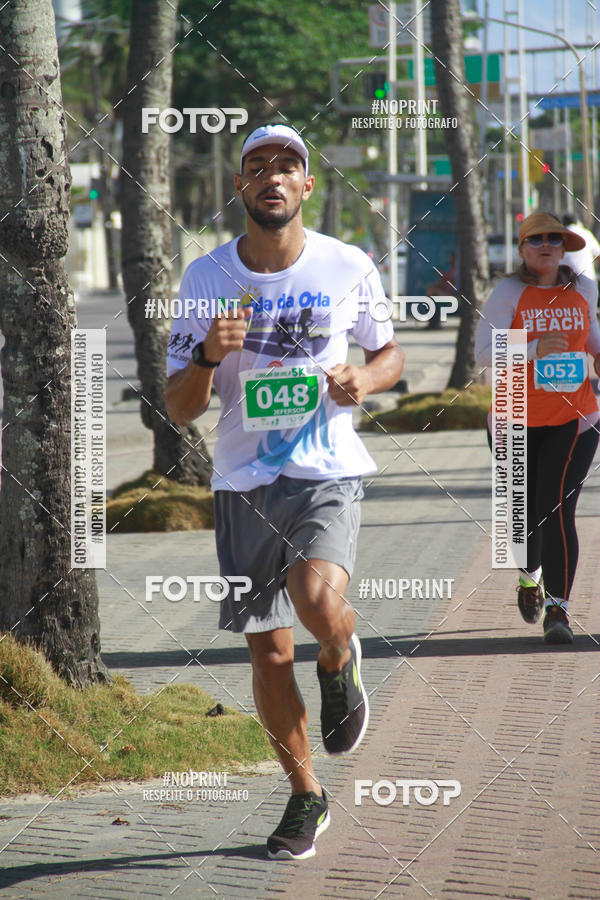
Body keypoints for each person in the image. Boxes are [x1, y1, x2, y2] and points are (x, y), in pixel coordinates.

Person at [164, 123, 404, 859]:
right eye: (257, 166)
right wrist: (208, 354)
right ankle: (306, 796)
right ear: (240, 187)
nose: (273, 176)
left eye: (288, 166)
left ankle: (338, 658)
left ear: (306, 186)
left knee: (316, 599)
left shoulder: (346, 264)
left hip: (324, 466)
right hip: (241, 480)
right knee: (267, 655)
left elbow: (388, 353)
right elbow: (180, 406)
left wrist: (363, 379)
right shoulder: (206, 278)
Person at [476, 211, 600, 644]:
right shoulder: (509, 291)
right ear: (522, 249)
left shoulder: (583, 287)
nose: (546, 245)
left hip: (575, 417)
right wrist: (531, 347)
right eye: (536, 240)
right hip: (514, 417)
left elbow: (593, 338)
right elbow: (483, 352)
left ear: (565, 248)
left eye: (555, 239)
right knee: (522, 514)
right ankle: (530, 579)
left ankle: (559, 610)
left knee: (558, 508)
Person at [561, 213, 600, 283]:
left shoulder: (559, 236)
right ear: (577, 222)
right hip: (588, 280)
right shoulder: (586, 234)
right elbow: (598, 254)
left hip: (565, 282)